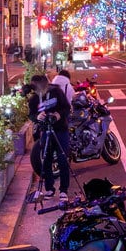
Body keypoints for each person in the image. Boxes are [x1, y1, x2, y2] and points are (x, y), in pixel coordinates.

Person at [30, 73, 71, 202]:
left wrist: (58, 115)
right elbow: (31, 114)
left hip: (60, 130)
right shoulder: (34, 99)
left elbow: (67, 107)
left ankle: (64, 190)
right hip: (45, 131)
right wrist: (37, 117)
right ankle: (49, 188)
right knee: (46, 159)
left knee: (63, 159)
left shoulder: (56, 92)